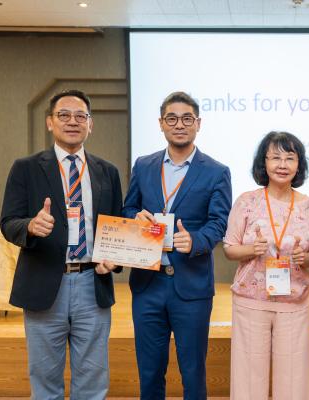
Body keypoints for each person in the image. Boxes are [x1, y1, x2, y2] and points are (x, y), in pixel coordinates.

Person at [0, 89, 123, 399]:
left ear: (90, 124)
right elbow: (8, 223)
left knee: (92, 381)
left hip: (92, 284)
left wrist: (115, 258)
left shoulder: (107, 172)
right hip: (44, 284)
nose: (72, 121)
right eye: (64, 115)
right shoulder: (26, 168)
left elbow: (116, 226)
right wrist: (30, 226)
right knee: (45, 382)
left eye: (81, 116)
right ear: (49, 122)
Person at [122, 91, 232, 399]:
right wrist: (135, 217)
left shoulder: (217, 171)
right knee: (149, 372)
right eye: (172, 118)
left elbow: (219, 223)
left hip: (191, 287)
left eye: (186, 119)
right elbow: (128, 208)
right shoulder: (144, 165)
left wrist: (196, 240)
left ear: (198, 123)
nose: (179, 124)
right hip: (148, 284)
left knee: (193, 373)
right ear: (161, 123)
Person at [223, 131, 309, 400]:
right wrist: (251, 250)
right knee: (248, 380)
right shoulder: (247, 201)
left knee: (293, 381)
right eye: (275, 157)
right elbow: (229, 248)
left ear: (299, 164)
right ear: (263, 162)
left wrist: (304, 257)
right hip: (251, 301)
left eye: (290, 158)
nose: (282, 164)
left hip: (294, 303)